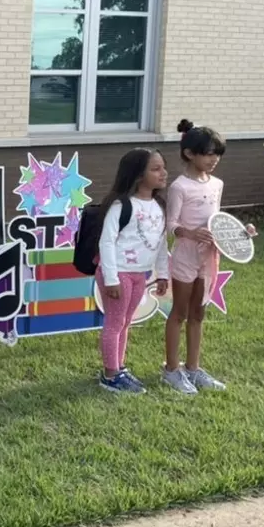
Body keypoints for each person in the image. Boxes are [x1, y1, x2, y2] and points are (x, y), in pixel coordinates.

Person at [162, 119, 254, 394]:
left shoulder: (217, 184)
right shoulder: (180, 187)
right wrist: (188, 233)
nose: (214, 159)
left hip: (208, 259)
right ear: (190, 153)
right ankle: (171, 370)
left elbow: (217, 221)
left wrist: (242, 232)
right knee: (179, 312)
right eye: (209, 153)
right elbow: (170, 224)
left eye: (218, 154)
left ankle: (193, 367)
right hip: (185, 257)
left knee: (198, 313)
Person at [96, 148, 170, 393]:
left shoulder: (159, 205)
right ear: (138, 175)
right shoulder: (122, 205)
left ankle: (119, 366)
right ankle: (110, 375)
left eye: (163, 167)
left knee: (126, 321)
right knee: (115, 322)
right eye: (155, 169)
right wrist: (111, 278)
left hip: (140, 274)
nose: (163, 173)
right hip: (118, 273)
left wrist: (162, 274)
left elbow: (160, 244)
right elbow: (106, 241)